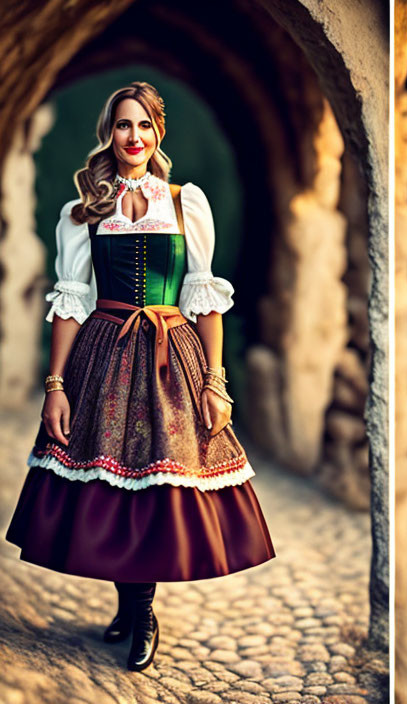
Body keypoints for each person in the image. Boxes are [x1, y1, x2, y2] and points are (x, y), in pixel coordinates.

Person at [6, 82, 275, 671]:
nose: (134, 137)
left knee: (159, 485)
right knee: (110, 485)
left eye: (144, 126)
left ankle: (143, 611)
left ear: (158, 132)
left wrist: (214, 381)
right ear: (110, 133)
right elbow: (72, 301)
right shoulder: (84, 212)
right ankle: (131, 606)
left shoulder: (184, 203)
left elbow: (204, 300)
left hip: (171, 355)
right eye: (123, 126)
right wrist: (55, 386)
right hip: (103, 351)